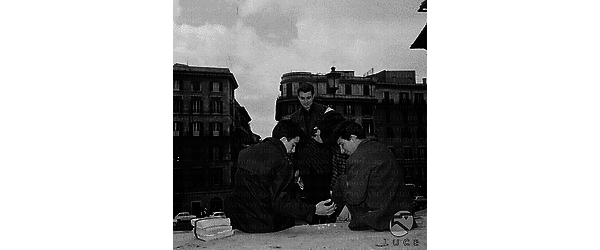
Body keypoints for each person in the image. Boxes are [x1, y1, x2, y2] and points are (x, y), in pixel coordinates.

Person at [223, 120, 337, 233]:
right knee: (291, 219)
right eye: (294, 144)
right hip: (263, 224)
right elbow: (281, 204)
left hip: (240, 221)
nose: (293, 150)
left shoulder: (246, 151)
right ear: (283, 139)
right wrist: (314, 210)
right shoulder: (283, 162)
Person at [330, 121, 415, 231]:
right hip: (401, 213)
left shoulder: (357, 158)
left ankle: (333, 217)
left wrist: (346, 204)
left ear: (353, 138)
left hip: (380, 218)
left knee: (342, 181)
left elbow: (355, 198)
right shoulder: (382, 148)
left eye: (342, 144)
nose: (342, 151)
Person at [289, 82, 336, 224]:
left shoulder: (326, 112)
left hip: (323, 167)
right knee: (311, 205)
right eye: (302, 98)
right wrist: (296, 168)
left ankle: (327, 229)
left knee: (326, 202)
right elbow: (294, 146)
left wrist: (325, 140)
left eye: (308, 97)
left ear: (313, 96)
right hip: (305, 169)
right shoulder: (294, 117)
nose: (306, 101)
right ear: (298, 98)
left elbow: (338, 131)